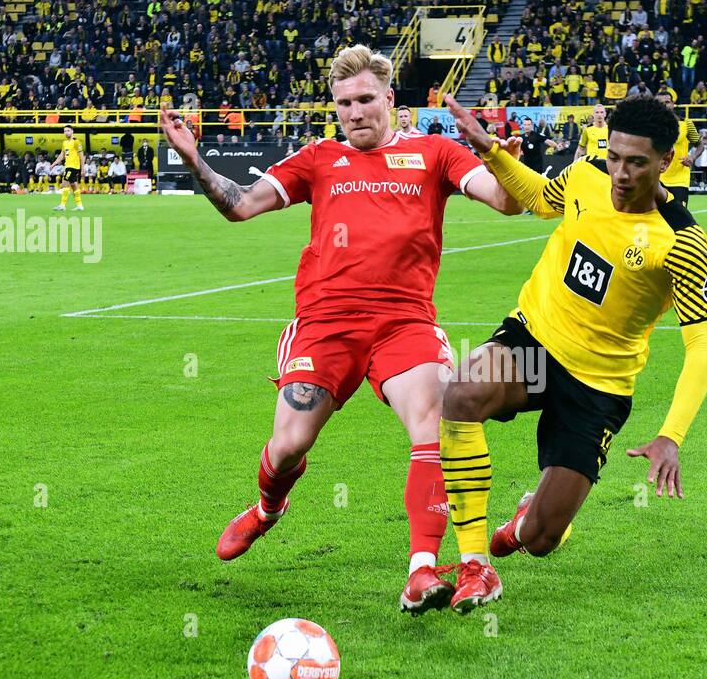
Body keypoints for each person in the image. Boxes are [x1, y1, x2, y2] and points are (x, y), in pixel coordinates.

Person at [157, 45, 522, 615]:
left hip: (404, 322)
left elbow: (506, 201)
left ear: (389, 100)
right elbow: (241, 206)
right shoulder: (319, 158)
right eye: (344, 103)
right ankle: (265, 510)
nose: (354, 112)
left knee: (434, 420)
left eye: (365, 100)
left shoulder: (435, 153)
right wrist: (194, 160)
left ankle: (421, 571)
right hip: (326, 325)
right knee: (290, 445)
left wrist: (499, 157)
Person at [436, 95, 707, 612]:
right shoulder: (586, 174)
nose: (620, 173)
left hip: (599, 386)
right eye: (614, 156)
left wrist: (670, 435)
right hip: (537, 340)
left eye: (636, 162)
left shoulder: (682, 239)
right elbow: (543, 198)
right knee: (460, 394)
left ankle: (525, 521)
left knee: (542, 538)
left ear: (666, 160)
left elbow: (701, 346)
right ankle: (475, 564)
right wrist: (492, 154)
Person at [655, 91, 698, 205]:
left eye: (667, 102)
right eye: (660, 103)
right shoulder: (651, 125)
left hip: (679, 179)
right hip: (656, 178)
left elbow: (699, 144)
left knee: (680, 217)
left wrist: (692, 157)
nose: (664, 105)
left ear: (673, 104)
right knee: (657, 217)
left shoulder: (686, 123)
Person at [53, 125, 84, 211]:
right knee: (74, 185)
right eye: (65, 131)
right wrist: (54, 164)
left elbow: (81, 156)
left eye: (68, 130)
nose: (66, 132)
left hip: (73, 166)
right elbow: (62, 155)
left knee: (64, 183)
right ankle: (79, 205)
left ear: (72, 131)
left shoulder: (76, 142)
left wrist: (83, 168)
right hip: (68, 166)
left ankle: (62, 205)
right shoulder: (64, 143)